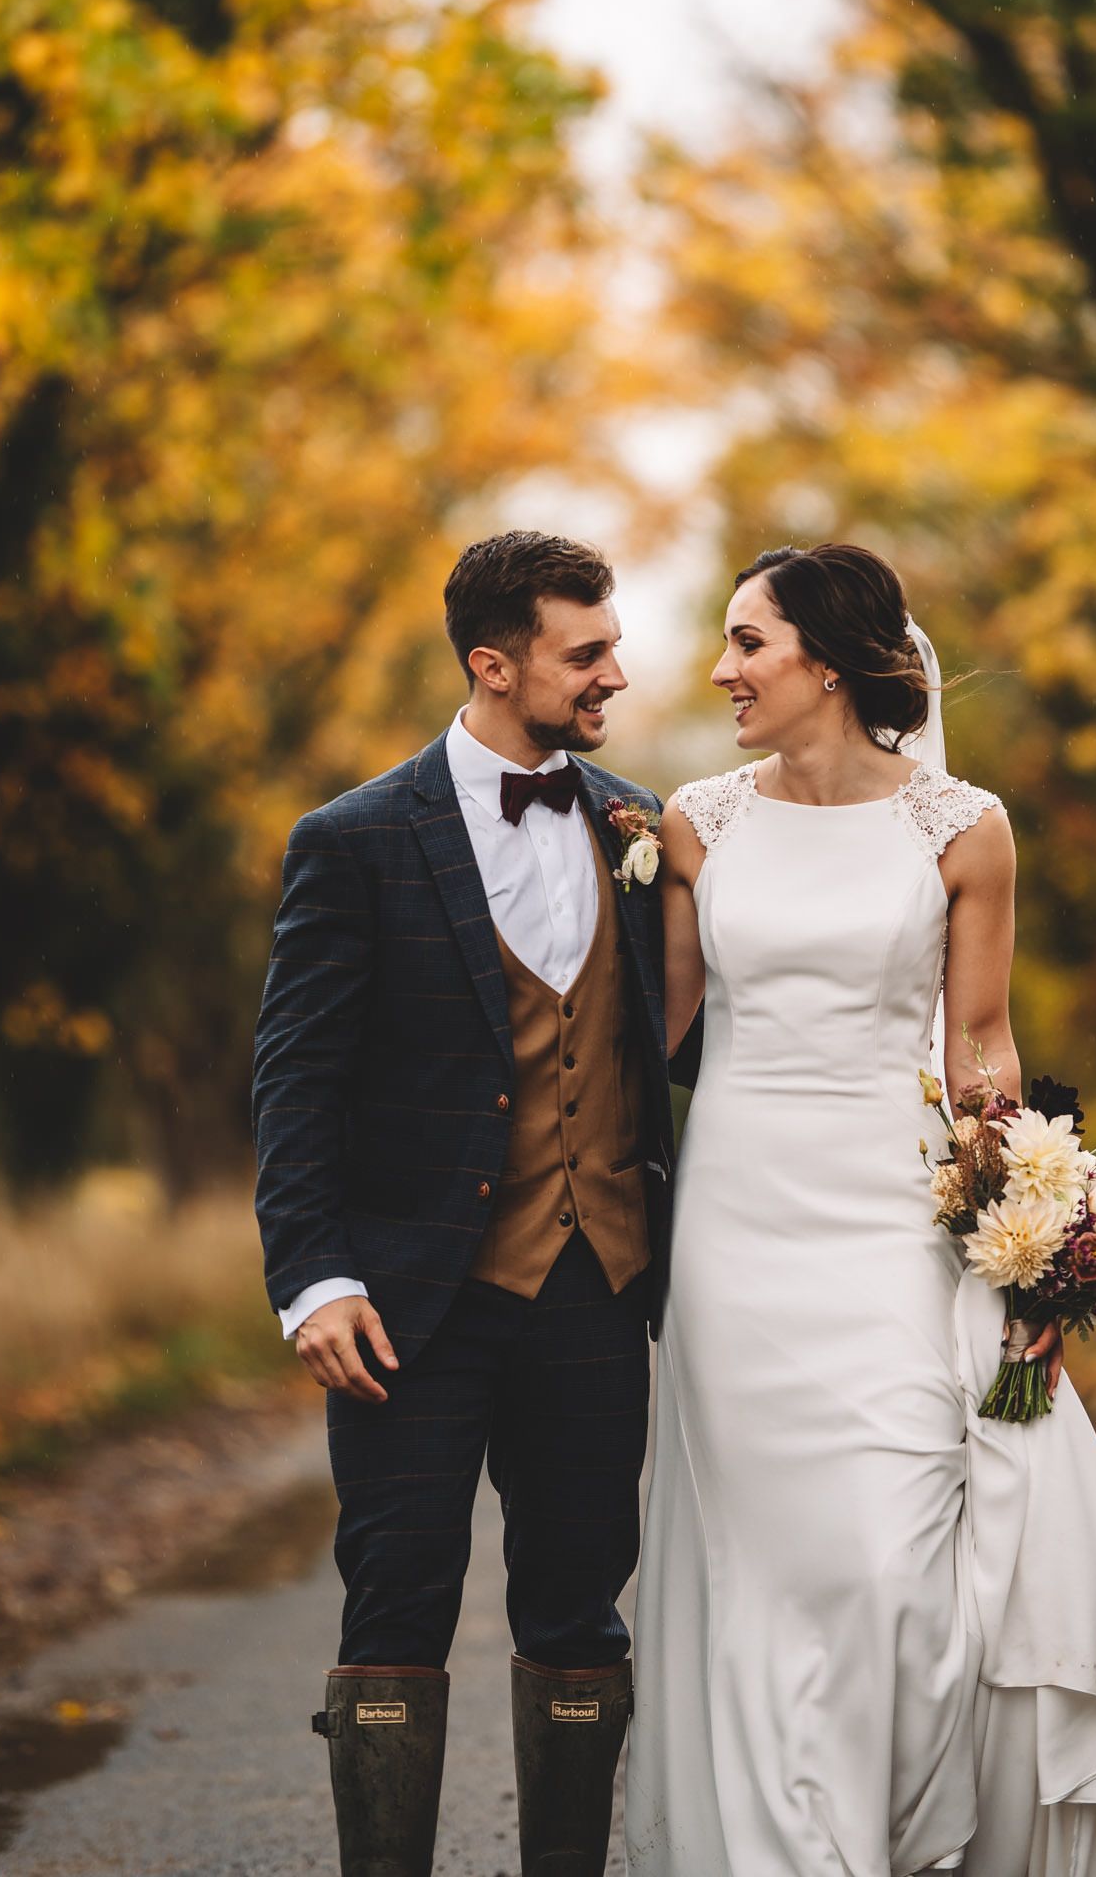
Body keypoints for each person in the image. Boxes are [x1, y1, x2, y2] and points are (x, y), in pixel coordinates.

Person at [625, 542, 1096, 1877]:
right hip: (739, 1229)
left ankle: (893, 1838)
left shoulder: (964, 828)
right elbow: (654, 1034)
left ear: (825, 660)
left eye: (746, 643)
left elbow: (982, 1049)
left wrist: (1041, 1242)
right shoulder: (699, 823)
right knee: (763, 1575)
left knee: (892, 1563)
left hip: (890, 1219)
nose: (722, 670)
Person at [253, 531, 674, 1877]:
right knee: (396, 1601)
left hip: (597, 1293)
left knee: (577, 1610)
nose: (618, 670)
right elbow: (297, 1079)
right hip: (405, 1306)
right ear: (494, 665)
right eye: (586, 651)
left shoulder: (645, 831)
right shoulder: (355, 841)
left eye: (612, 642)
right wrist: (313, 1279)